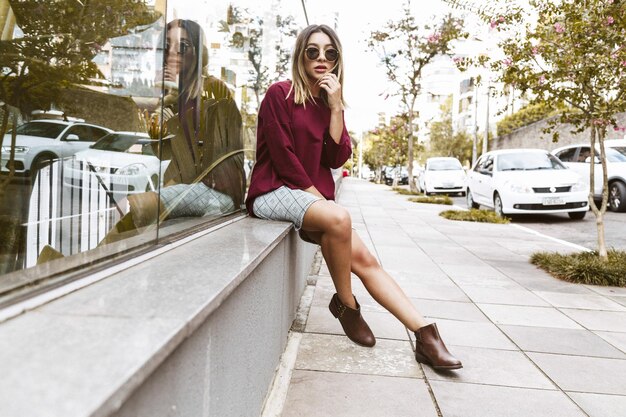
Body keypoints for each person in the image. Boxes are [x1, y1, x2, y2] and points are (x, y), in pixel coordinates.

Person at [245, 24, 462, 370]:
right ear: (299, 55)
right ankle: (347, 305)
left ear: (337, 60)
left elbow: (336, 158)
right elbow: (284, 160)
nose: (321, 59)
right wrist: (324, 203)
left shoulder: (326, 102)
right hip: (273, 192)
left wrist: (335, 108)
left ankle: (425, 335)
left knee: (366, 260)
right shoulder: (279, 94)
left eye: (330, 53)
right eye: (312, 51)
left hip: (312, 203)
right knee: (339, 219)